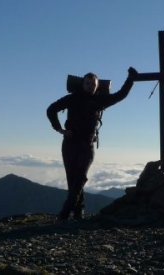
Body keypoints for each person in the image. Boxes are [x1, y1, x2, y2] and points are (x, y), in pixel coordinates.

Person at [47, 67, 138, 220]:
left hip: (87, 145)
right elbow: (51, 110)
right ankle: (78, 212)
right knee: (73, 178)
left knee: (80, 176)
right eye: (88, 83)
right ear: (83, 84)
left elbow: (120, 95)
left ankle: (65, 212)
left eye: (93, 84)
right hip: (70, 143)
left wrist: (130, 79)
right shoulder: (72, 98)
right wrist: (60, 130)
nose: (90, 86)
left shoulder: (100, 101)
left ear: (97, 86)